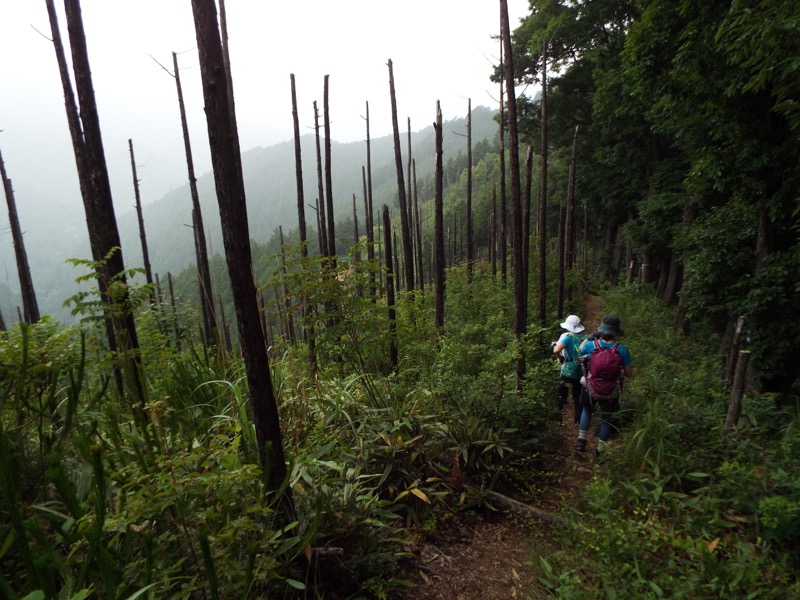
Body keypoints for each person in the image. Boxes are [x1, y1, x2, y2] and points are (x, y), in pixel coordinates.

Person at [575, 315, 633, 457]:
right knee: (606, 418)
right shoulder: (622, 349)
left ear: (601, 330)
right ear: (616, 332)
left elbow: (580, 349)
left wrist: (590, 337)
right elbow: (629, 373)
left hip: (591, 387)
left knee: (587, 410)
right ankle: (600, 450)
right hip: (611, 391)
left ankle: (581, 441)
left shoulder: (591, 346)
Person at [552, 315, 588, 424]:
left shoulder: (568, 337)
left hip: (567, 371)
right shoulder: (587, 337)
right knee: (577, 396)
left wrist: (560, 358)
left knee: (561, 394)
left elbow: (556, 350)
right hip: (581, 371)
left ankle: (558, 418)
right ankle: (578, 418)